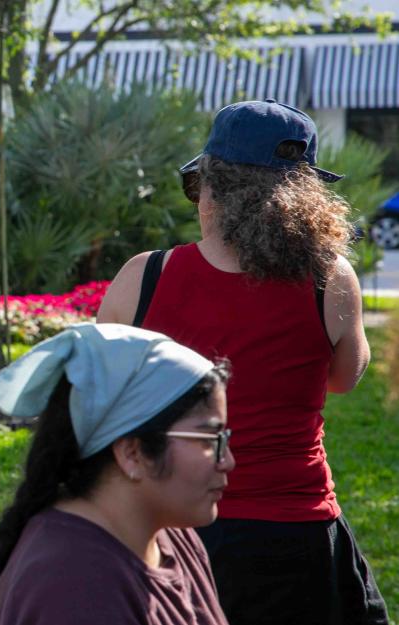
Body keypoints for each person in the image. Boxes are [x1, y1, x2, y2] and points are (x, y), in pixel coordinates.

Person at [97, 99, 389, 625]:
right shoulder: (330, 278)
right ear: (307, 200)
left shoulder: (145, 277)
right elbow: (345, 378)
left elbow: (102, 401)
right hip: (296, 529)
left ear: (208, 187)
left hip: (174, 528)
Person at [0, 323, 233, 625]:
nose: (228, 461)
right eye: (210, 440)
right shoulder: (75, 586)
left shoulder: (171, 536)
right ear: (132, 453)